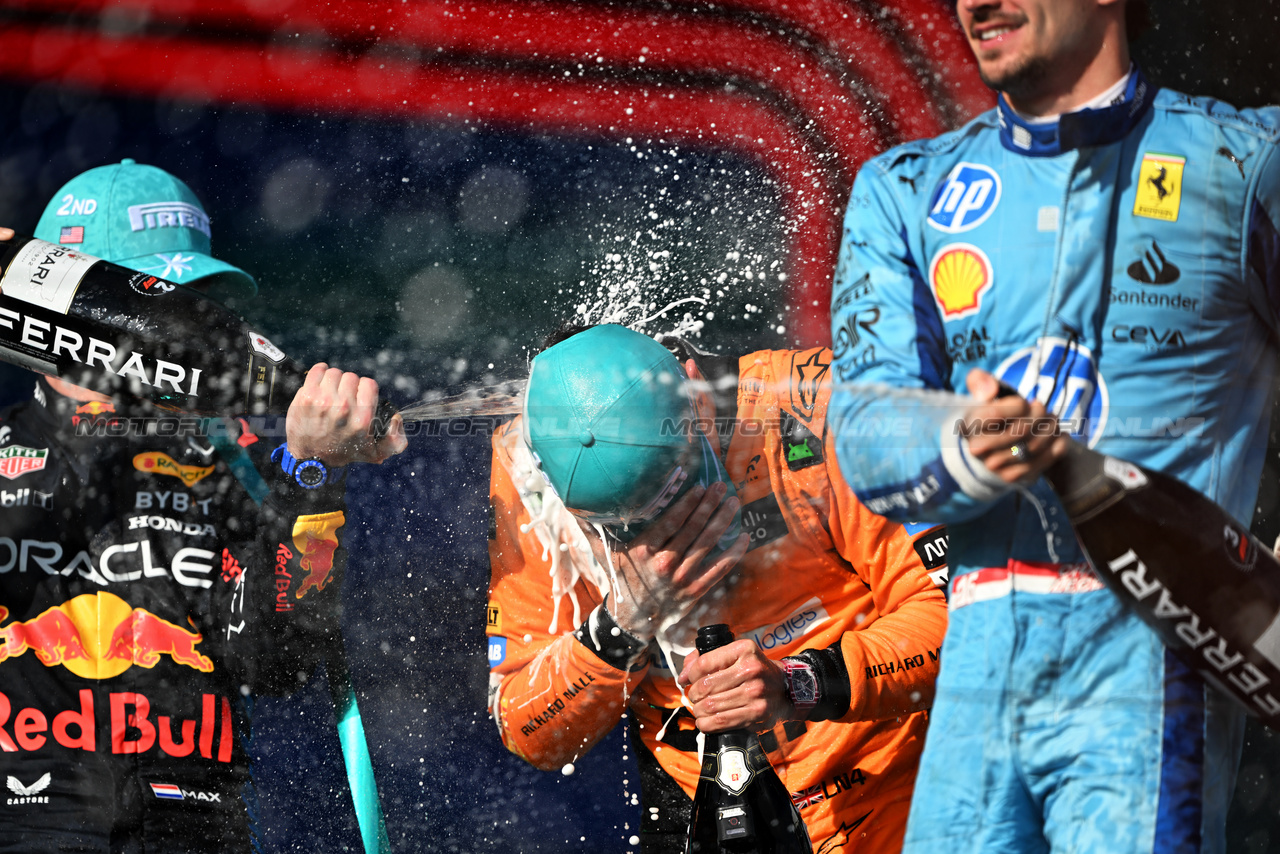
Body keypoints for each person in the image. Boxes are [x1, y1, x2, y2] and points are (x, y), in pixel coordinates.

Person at [827, 0, 1280, 851]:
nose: (976, 3)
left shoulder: (1248, 163)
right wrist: (963, 443)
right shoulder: (904, 188)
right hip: (975, 668)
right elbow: (863, 430)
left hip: (1150, 664)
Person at [0, 160, 406, 853]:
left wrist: (312, 472)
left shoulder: (237, 461)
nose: (183, 347)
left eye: (197, 312)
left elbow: (272, 664)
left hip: (191, 828)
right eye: (164, 314)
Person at [485, 323, 949, 852]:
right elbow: (527, 730)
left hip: (901, 790)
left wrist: (800, 683)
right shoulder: (530, 472)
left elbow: (975, 627)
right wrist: (624, 625)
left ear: (695, 394)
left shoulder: (819, 405)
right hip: (708, 816)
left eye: (675, 489)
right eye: (623, 525)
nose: (664, 536)